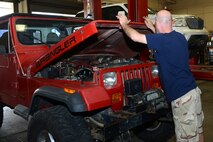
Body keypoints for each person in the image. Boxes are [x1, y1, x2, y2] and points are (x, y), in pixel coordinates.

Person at [116, 10, 204, 142]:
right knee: (198, 131)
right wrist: (152, 27)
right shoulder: (179, 37)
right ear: (172, 22)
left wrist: (124, 24)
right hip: (193, 92)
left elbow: (135, 37)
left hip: (182, 99)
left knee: (188, 138)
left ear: (158, 22)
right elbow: (162, 40)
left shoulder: (162, 40)